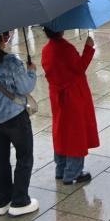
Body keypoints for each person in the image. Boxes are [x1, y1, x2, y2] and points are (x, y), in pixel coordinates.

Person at [0, 34, 39, 217]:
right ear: (2, 40)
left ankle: (1, 202)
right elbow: (25, 88)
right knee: (24, 156)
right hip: (15, 118)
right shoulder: (11, 61)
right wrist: (31, 71)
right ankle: (20, 201)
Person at [41, 29, 98, 186]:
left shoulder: (46, 50)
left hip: (57, 97)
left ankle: (60, 168)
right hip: (72, 96)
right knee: (75, 134)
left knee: (61, 131)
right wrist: (88, 48)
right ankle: (73, 172)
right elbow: (79, 67)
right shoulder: (66, 49)